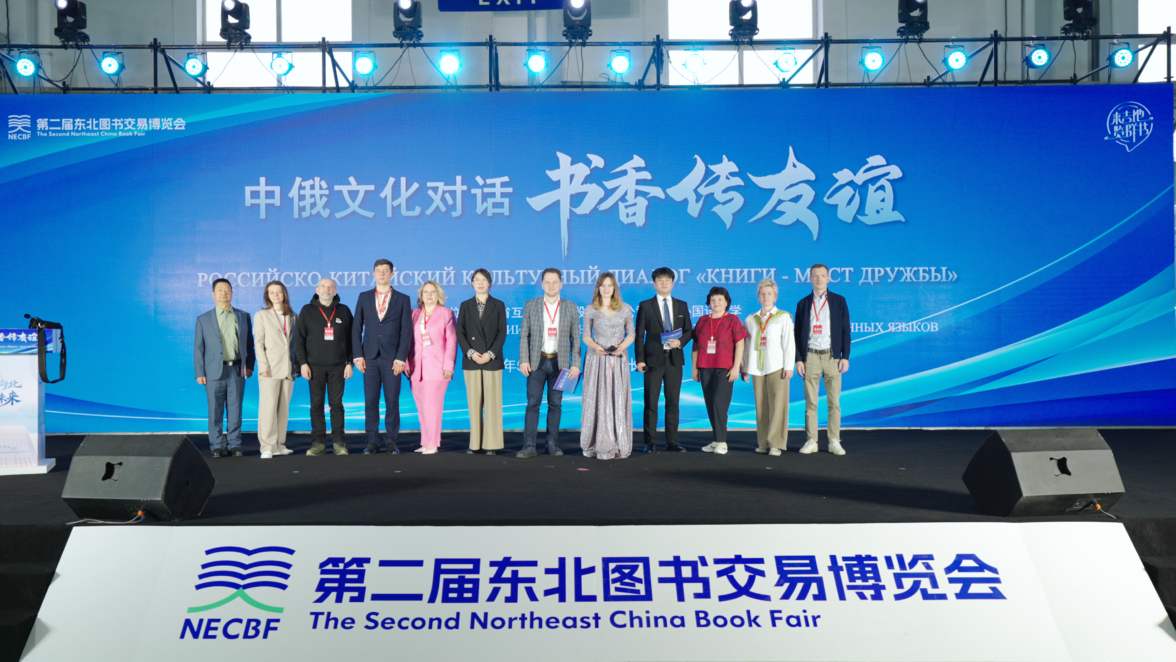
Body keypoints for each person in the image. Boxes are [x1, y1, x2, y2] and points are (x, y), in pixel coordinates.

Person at [517, 268, 581, 459]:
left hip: (560, 364)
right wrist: (524, 359)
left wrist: (576, 364)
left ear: (561, 284)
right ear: (542, 284)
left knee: (556, 404)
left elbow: (575, 338)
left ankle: (552, 444)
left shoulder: (571, 307)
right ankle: (529, 445)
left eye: (555, 281)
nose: (551, 285)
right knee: (533, 403)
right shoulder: (531, 305)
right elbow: (524, 334)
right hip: (536, 362)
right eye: (547, 281)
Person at [352, 259, 413, 455]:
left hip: (392, 359)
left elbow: (406, 331)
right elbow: (356, 327)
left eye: (385, 271)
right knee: (370, 401)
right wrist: (358, 355)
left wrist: (401, 358)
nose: (382, 274)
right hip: (369, 357)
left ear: (392, 274)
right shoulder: (364, 297)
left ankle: (391, 441)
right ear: (373, 273)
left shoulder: (403, 299)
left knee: (392, 401)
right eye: (378, 271)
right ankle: (372, 441)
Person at [794, 263, 851, 455]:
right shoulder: (803, 304)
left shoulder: (839, 301)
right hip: (810, 356)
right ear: (810, 279)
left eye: (822, 275)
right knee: (811, 402)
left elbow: (845, 331)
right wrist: (799, 359)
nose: (819, 279)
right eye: (815, 276)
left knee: (834, 402)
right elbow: (797, 334)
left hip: (832, 357)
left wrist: (845, 357)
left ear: (828, 278)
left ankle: (834, 440)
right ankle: (811, 440)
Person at [634, 267, 693, 453]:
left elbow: (689, 330)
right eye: (660, 280)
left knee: (673, 402)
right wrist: (640, 360)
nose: (664, 282)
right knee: (651, 402)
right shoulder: (646, 305)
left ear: (673, 283)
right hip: (652, 361)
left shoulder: (682, 305)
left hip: (674, 360)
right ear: (654, 283)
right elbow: (639, 335)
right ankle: (650, 442)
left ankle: (672, 442)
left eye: (667, 279)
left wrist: (680, 342)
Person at [194, 278, 255, 458]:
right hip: (213, 371)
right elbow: (198, 348)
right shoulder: (203, 319)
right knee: (215, 410)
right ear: (213, 294)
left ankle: (235, 444)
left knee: (235, 409)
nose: (224, 292)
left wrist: (249, 365)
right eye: (220, 290)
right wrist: (200, 372)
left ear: (232, 293)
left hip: (237, 370)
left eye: (227, 289)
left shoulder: (243, 316)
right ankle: (217, 445)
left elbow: (249, 344)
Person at [295, 278, 355, 457]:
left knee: (336, 405)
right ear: (317, 289)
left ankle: (339, 442)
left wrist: (350, 363)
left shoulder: (344, 311)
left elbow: (351, 340)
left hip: (338, 366)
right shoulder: (307, 310)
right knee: (316, 405)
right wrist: (303, 363)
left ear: (335, 291)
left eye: (330, 287)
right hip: (314, 367)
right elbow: (299, 340)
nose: (326, 289)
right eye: (323, 286)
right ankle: (318, 443)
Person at [580, 272, 636, 460]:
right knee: (597, 398)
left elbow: (631, 334)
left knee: (616, 397)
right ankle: (596, 443)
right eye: (602, 285)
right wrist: (596, 347)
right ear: (598, 288)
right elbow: (586, 336)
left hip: (618, 358)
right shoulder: (590, 309)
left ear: (614, 288)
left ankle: (618, 442)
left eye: (609, 285)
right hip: (597, 358)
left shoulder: (625, 309)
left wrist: (622, 347)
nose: (606, 289)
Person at [740, 278, 795, 457]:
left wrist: (789, 366)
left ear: (775, 296)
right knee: (761, 406)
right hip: (756, 367)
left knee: (778, 406)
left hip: (777, 366)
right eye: (762, 294)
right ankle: (763, 443)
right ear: (758, 297)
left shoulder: (783, 317)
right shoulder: (751, 319)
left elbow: (789, 343)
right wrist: (744, 367)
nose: (766, 297)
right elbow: (746, 345)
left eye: (769, 294)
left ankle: (776, 444)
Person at [455, 269, 506, 455]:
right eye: (477, 280)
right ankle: (475, 444)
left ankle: (491, 444)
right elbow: (460, 332)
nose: (480, 283)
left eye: (484, 279)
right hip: (472, 360)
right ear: (472, 283)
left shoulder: (498, 305)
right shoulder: (465, 305)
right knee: (474, 404)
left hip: (492, 360)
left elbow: (502, 332)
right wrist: (471, 352)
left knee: (492, 404)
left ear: (489, 283)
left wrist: (490, 353)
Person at [693, 287, 748, 455]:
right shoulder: (702, 320)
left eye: (719, 299)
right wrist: (694, 368)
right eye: (713, 300)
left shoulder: (732, 319)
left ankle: (722, 442)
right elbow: (695, 346)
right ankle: (717, 439)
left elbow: (740, 344)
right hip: (705, 367)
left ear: (726, 302)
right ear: (708, 302)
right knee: (710, 404)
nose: (716, 303)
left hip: (725, 368)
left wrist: (736, 367)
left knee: (719, 403)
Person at [407, 281, 457, 455]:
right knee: (422, 407)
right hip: (416, 367)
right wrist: (406, 362)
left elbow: (452, 341)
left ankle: (433, 444)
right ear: (421, 295)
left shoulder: (446, 314)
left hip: (437, 367)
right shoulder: (413, 313)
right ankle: (425, 442)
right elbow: (406, 340)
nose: (429, 295)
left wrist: (449, 365)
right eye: (426, 292)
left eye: (432, 292)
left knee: (432, 407)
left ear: (438, 295)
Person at [254, 280, 297, 459]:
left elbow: (294, 344)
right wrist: (263, 366)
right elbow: (259, 343)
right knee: (268, 409)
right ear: (267, 296)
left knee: (283, 409)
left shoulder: (293, 316)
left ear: (284, 294)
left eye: (278, 291)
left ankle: (279, 444)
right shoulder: (262, 315)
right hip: (270, 368)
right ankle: (267, 446)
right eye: (271, 292)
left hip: (288, 368)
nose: (276, 295)